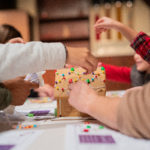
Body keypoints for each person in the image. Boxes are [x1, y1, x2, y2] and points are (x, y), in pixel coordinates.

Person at [68, 17, 150, 139]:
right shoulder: (137, 74)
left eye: (141, 54)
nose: (137, 57)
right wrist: (90, 66)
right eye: (135, 53)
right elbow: (115, 72)